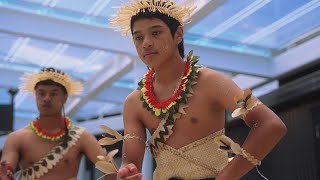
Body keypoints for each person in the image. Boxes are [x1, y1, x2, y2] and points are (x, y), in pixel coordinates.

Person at [96, 0, 287, 179]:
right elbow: (131, 162)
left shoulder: (211, 82)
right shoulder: (133, 103)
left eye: (155, 33)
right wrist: (126, 171)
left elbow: (270, 125)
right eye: (138, 37)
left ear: (178, 34)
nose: (146, 43)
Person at [0, 67, 106, 180]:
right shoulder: (17, 138)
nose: (47, 99)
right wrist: (5, 174)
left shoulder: (82, 136)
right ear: (35, 96)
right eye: (41, 93)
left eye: (53, 94)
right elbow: (6, 169)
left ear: (65, 97)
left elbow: (109, 168)